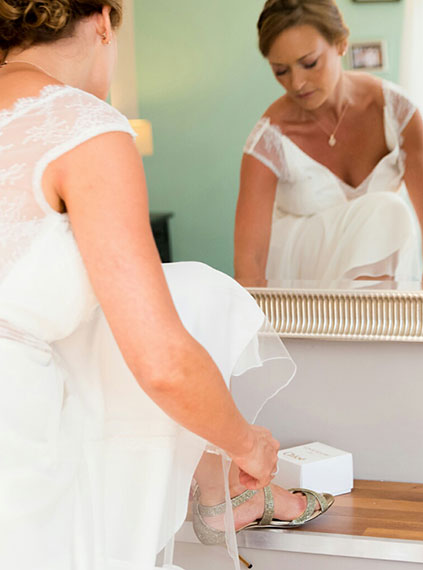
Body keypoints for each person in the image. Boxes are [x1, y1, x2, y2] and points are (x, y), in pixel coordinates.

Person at [0, 2, 333, 569]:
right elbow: (161, 360)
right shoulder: (82, 126)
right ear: (104, 21)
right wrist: (246, 443)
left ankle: (218, 492)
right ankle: (226, 488)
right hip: (18, 451)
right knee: (197, 290)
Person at [234, 0, 423, 288]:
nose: (297, 83)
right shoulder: (268, 141)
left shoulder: (397, 113)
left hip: (381, 279)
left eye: (309, 63)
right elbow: (249, 265)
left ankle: (371, 325)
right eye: (280, 70)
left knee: (390, 212)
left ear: (341, 44)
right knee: (388, 208)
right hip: (300, 279)